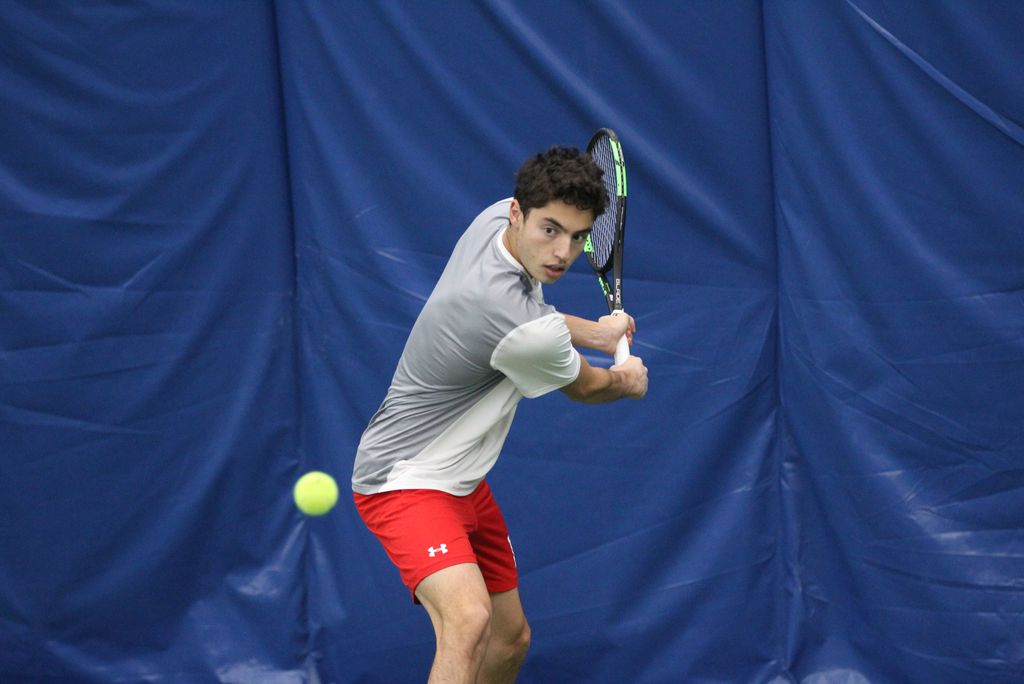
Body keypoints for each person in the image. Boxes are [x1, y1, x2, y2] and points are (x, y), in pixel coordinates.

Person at [351, 146, 648, 683]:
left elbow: (528, 312)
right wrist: (626, 380)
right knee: (467, 620)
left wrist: (598, 332)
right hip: (403, 480)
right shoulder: (524, 330)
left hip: (462, 482)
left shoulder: (492, 221)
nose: (563, 252)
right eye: (551, 230)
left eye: (579, 237)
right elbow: (585, 387)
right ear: (519, 213)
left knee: (510, 640)